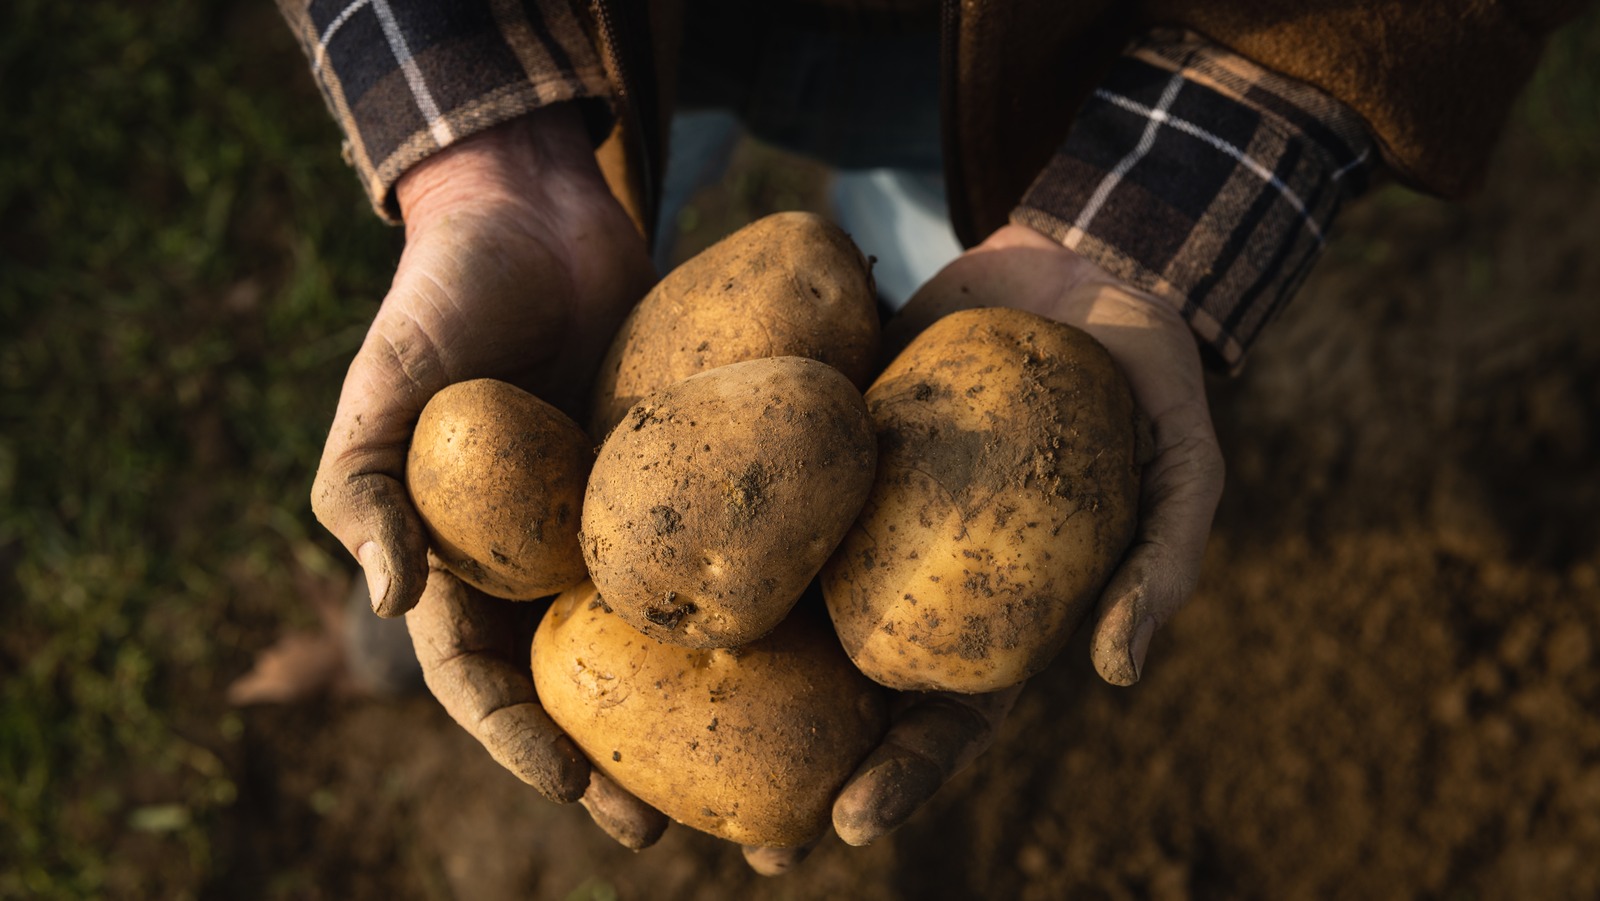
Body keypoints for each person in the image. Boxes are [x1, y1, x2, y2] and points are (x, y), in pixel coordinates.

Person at [271, 0, 1585, 875]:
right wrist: (478, 156)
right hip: (580, 29)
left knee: (929, 277)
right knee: (511, 392)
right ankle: (397, 620)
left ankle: (401, 611)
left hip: (1064, 59)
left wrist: (1171, 203)